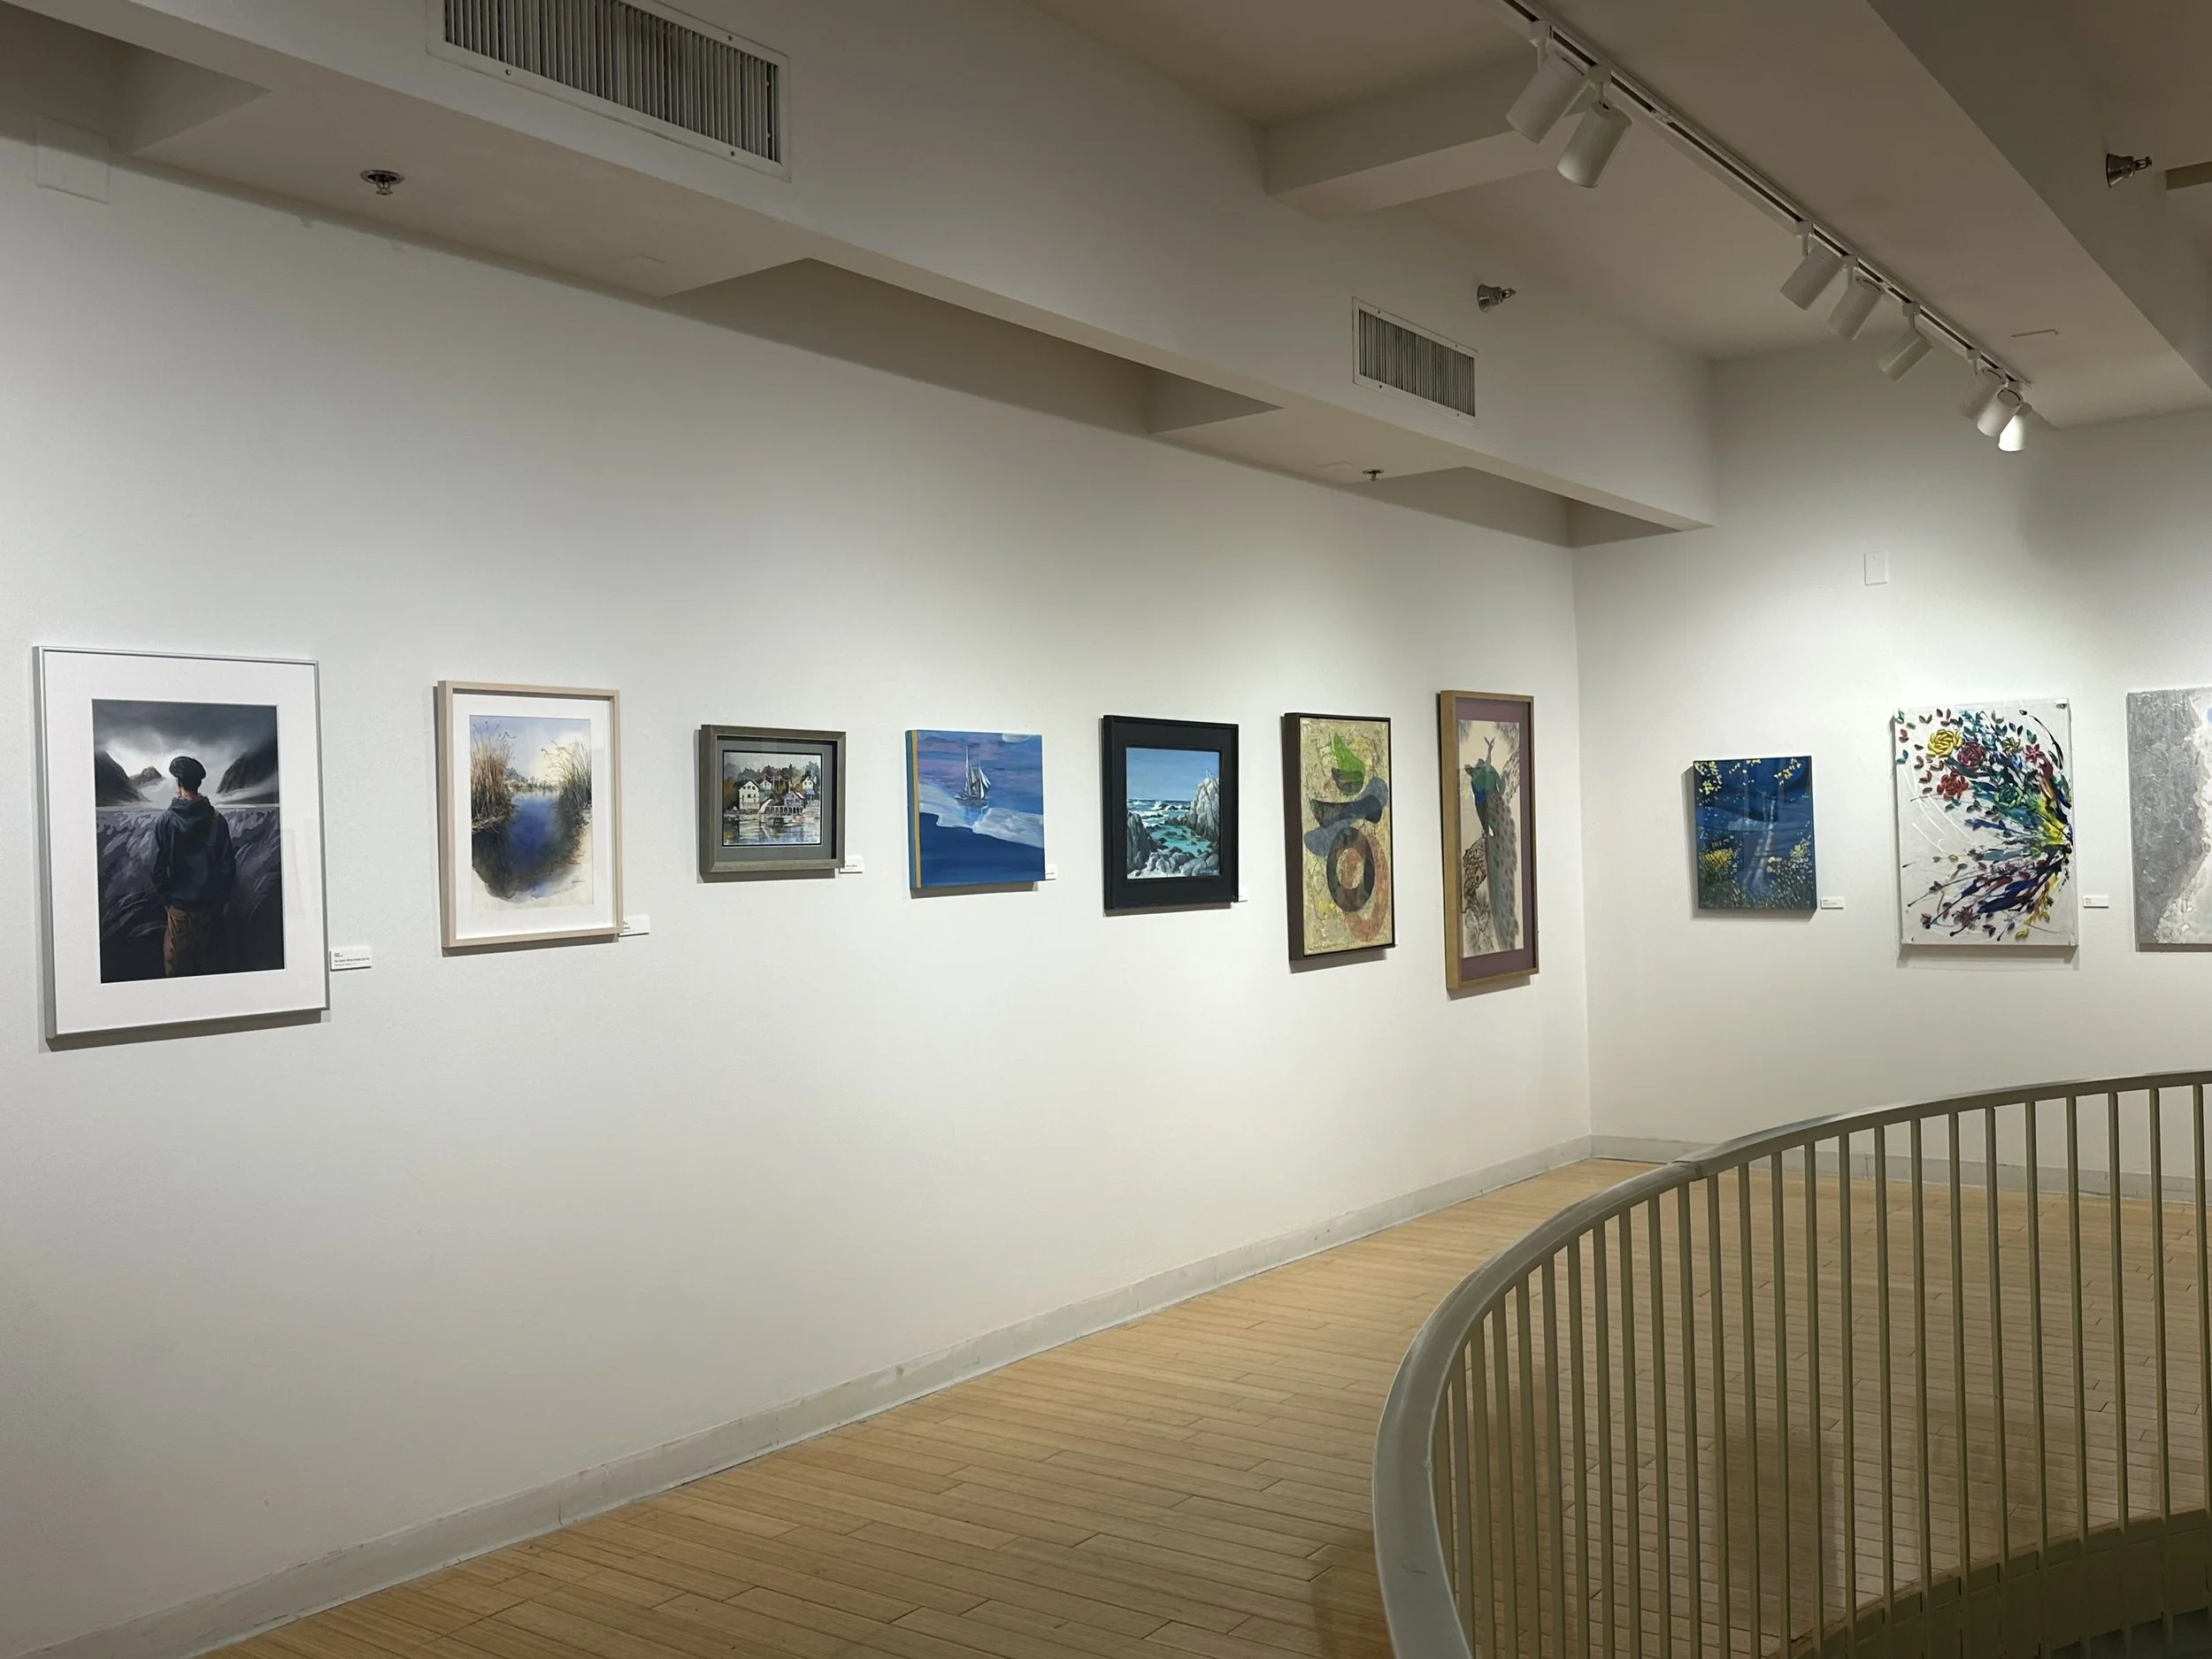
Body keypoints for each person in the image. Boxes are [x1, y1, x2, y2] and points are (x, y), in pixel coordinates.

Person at [151, 755, 234, 976]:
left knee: (177, 970)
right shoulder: (218, 820)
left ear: (178, 783)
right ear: (198, 783)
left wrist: (166, 901)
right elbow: (228, 865)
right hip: (211, 908)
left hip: (179, 908)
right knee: (210, 969)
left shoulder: (165, 822)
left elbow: (158, 868)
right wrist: (223, 900)